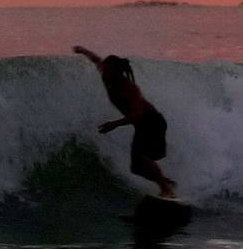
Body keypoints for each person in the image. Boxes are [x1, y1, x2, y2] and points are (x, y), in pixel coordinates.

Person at [73, 46, 177, 198]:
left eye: (110, 72)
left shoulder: (129, 89)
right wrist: (83, 51)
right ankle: (165, 181)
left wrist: (114, 124)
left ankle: (166, 189)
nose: (106, 75)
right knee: (136, 168)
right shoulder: (105, 72)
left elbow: (137, 113)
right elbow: (96, 59)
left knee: (143, 158)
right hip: (141, 125)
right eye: (105, 70)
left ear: (118, 73)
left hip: (152, 122)